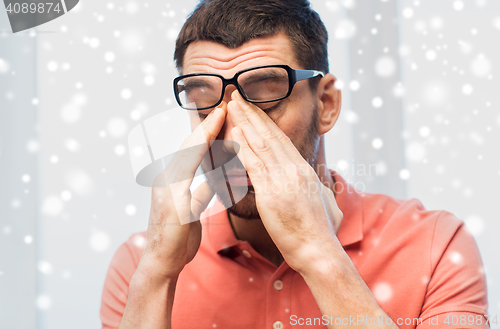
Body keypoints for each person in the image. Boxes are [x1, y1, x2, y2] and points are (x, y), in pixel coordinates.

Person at [100, 0, 490, 328]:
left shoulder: (435, 246)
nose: (232, 136)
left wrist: (319, 254)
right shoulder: (141, 265)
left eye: (266, 96)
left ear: (325, 104)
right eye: (205, 99)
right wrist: (155, 278)